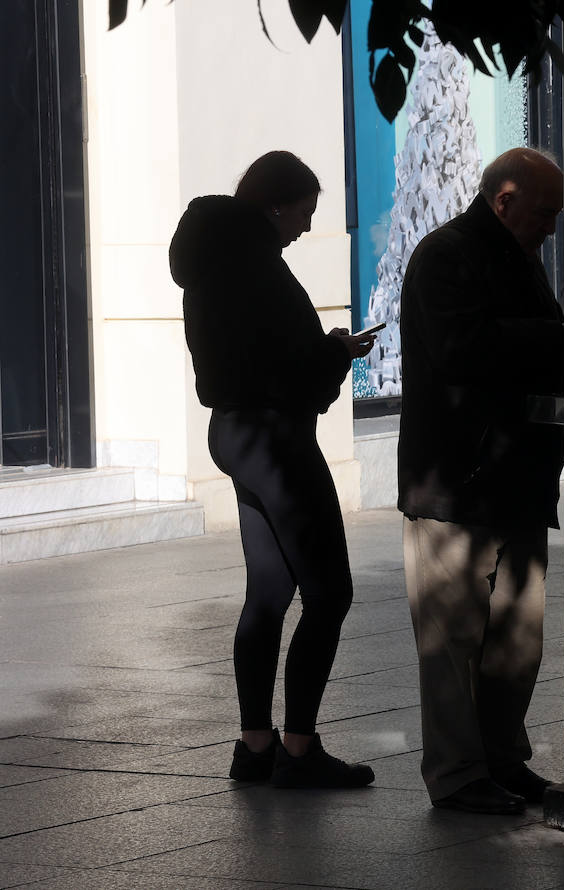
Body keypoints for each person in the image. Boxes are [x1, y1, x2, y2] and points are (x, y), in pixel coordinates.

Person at [170, 150, 378, 789]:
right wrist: (337, 353)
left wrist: (321, 352)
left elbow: (255, 354)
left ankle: (255, 746)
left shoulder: (212, 259)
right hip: (275, 438)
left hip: (234, 430)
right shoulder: (258, 267)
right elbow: (293, 368)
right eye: (304, 212)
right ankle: (299, 749)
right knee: (330, 594)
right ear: (275, 204)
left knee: (267, 593)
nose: (307, 226)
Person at [397, 147, 564, 815]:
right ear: (505, 201)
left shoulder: (518, 254)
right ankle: (457, 773)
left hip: (518, 477)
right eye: (544, 213)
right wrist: (556, 339)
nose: (551, 227)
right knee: (453, 642)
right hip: (456, 484)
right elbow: (463, 351)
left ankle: (502, 757)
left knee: (518, 637)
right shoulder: (444, 256)